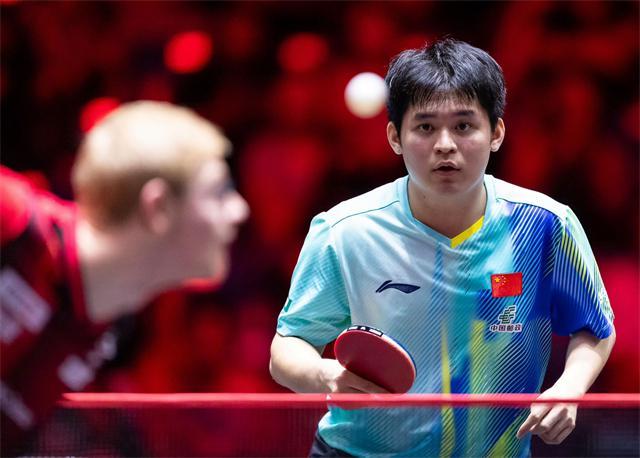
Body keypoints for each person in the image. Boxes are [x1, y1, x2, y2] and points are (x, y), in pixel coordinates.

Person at [270, 39, 615, 457]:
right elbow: (288, 346)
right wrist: (323, 375)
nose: (445, 144)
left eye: (464, 126)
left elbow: (595, 326)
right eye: (425, 127)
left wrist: (570, 387)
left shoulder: (544, 225)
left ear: (496, 133)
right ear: (395, 137)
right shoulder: (344, 231)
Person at [0, 101, 249, 454]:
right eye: (219, 192)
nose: (240, 210)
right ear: (157, 207)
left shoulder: (105, 332)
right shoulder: (11, 215)